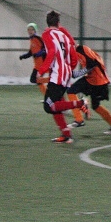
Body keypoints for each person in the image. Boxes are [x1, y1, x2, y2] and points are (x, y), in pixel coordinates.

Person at [20, 22, 85, 127]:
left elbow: (55, 50)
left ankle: (79, 115)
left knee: (68, 92)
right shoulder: (51, 34)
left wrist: (44, 69)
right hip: (59, 69)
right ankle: (75, 119)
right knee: (61, 95)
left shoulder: (58, 33)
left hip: (60, 69)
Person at [39, 10, 87, 144]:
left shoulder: (47, 34)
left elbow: (52, 52)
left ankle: (80, 103)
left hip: (57, 75)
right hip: (65, 74)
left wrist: (42, 70)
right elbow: (73, 58)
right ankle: (66, 135)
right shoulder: (65, 36)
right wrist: (67, 69)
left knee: (49, 106)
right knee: (56, 106)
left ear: (48, 23)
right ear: (58, 23)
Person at [67, 44, 111, 134]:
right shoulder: (76, 52)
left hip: (99, 82)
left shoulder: (81, 49)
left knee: (96, 106)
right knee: (71, 91)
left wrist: (78, 73)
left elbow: (92, 63)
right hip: (91, 79)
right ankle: (79, 119)